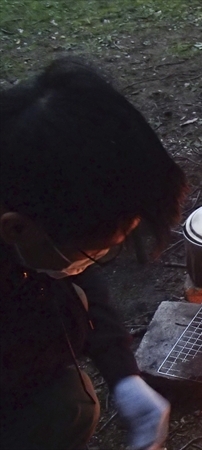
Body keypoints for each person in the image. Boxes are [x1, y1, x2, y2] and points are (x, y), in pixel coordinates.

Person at [0, 58, 188, 449]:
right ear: (16, 229)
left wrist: (123, 375)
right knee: (63, 406)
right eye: (96, 251)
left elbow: (71, 273)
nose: (90, 264)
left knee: (68, 402)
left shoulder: (27, 184)